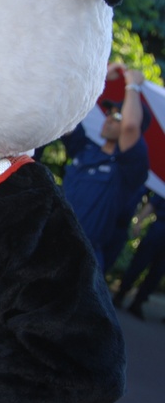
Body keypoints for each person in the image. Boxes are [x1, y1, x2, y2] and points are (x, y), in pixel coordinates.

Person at [62, 64, 149, 274]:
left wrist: (132, 87)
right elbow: (63, 109)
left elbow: (130, 128)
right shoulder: (84, 148)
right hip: (47, 242)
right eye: (109, 112)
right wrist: (97, 77)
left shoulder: (127, 170)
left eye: (118, 116)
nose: (109, 117)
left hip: (81, 260)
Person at [113, 191, 165, 320]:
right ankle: (121, 293)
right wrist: (139, 221)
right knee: (139, 263)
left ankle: (138, 302)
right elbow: (152, 204)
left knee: (157, 272)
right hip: (159, 229)